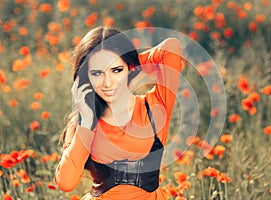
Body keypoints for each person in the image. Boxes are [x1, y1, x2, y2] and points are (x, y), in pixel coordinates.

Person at [54, 26, 183, 200]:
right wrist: (86, 123)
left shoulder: (155, 106)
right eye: (97, 73)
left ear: (128, 67)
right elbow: (66, 183)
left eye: (116, 70)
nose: (107, 83)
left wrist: (132, 64)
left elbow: (171, 48)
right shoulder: (83, 122)